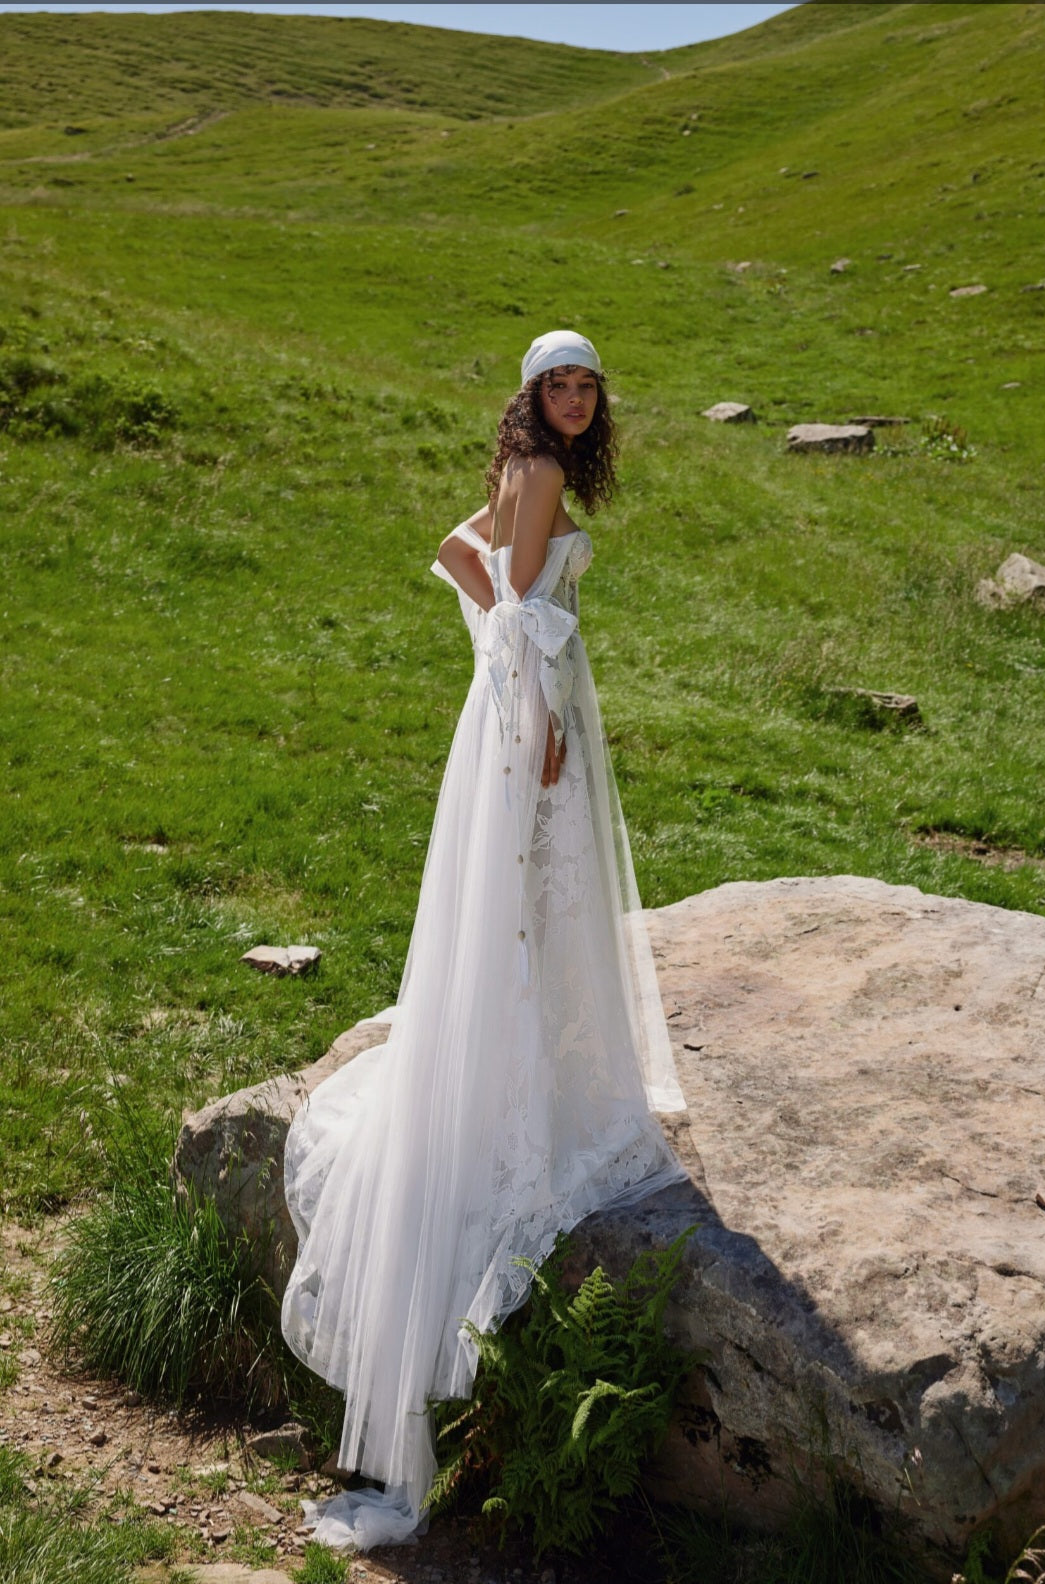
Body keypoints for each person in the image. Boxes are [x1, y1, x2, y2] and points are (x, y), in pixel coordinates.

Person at [280, 330, 687, 1552]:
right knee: (533, 897)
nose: (574, 399)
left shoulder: (516, 462)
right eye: (560, 383)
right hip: (527, 713)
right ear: (533, 393)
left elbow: (461, 556)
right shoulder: (543, 473)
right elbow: (510, 602)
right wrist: (541, 712)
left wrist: (519, 659)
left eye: (587, 385)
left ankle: (513, 1048)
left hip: (509, 703)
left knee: (519, 903)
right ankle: (529, 1081)